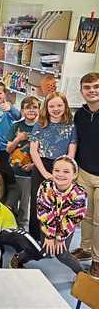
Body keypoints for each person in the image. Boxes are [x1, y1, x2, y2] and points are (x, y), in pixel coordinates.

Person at [10, 156, 86, 274]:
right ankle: (18, 258)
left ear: (74, 175)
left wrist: (60, 237)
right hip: (48, 223)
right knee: (44, 250)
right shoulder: (46, 187)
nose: (60, 174)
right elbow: (45, 213)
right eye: (56, 170)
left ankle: (82, 275)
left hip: (66, 226)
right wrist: (50, 236)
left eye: (66, 171)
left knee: (62, 254)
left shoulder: (79, 193)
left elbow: (73, 218)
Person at [29, 92, 76, 241]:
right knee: (38, 203)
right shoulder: (40, 124)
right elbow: (33, 150)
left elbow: (72, 149)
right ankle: (35, 238)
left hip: (62, 167)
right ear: (46, 107)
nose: (56, 109)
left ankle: (54, 237)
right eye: (52, 106)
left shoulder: (71, 125)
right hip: (41, 165)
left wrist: (63, 172)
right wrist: (44, 172)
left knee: (57, 205)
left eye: (59, 105)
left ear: (65, 106)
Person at [71, 72, 99, 278]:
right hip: (83, 171)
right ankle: (86, 248)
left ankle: (97, 260)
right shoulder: (80, 114)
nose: (92, 91)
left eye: (96, 86)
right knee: (86, 216)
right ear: (82, 91)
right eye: (87, 88)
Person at [6, 96, 40, 228]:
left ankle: (23, 228)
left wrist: (34, 165)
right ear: (22, 110)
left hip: (29, 174)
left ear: (39, 109)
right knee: (11, 201)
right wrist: (18, 138)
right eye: (27, 108)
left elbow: (44, 152)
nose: (31, 110)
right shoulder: (16, 126)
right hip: (14, 171)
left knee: (25, 203)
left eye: (35, 107)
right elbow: (8, 149)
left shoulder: (42, 127)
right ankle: (10, 227)